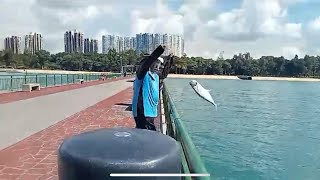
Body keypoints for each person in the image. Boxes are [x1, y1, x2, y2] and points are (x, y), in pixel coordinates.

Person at [132, 45, 173, 131]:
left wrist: (170, 61)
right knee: (148, 132)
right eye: (155, 63)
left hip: (151, 109)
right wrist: (158, 51)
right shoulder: (142, 73)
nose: (157, 66)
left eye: (158, 64)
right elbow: (147, 63)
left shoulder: (155, 75)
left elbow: (164, 74)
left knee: (145, 132)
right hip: (143, 110)